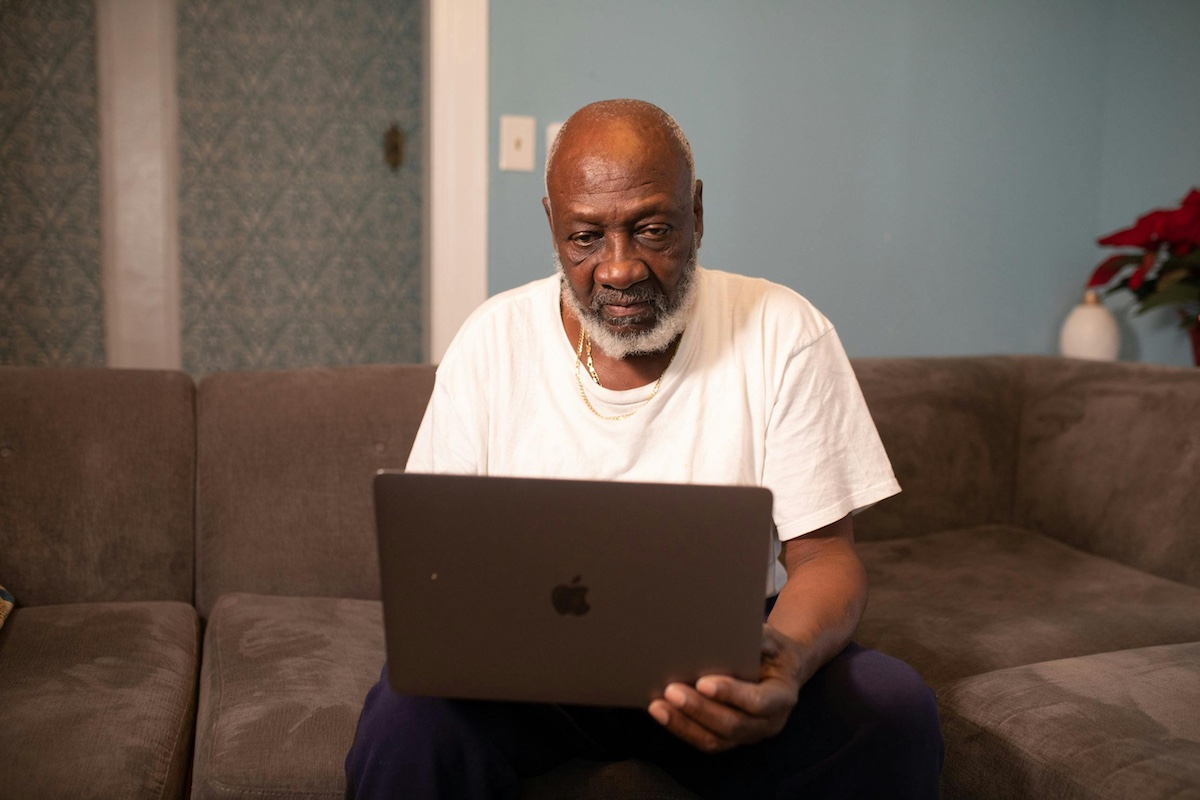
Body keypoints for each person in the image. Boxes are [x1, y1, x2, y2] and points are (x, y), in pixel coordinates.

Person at [345, 99, 943, 799]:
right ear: (551, 223)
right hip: (525, 675)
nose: (620, 268)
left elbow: (824, 557)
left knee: (894, 709)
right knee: (404, 720)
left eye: (652, 230)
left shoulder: (784, 331)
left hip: (721, 664)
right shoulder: (491, 341)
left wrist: (784, 663)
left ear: (697, 213)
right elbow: (437, 565)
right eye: (585, 238)